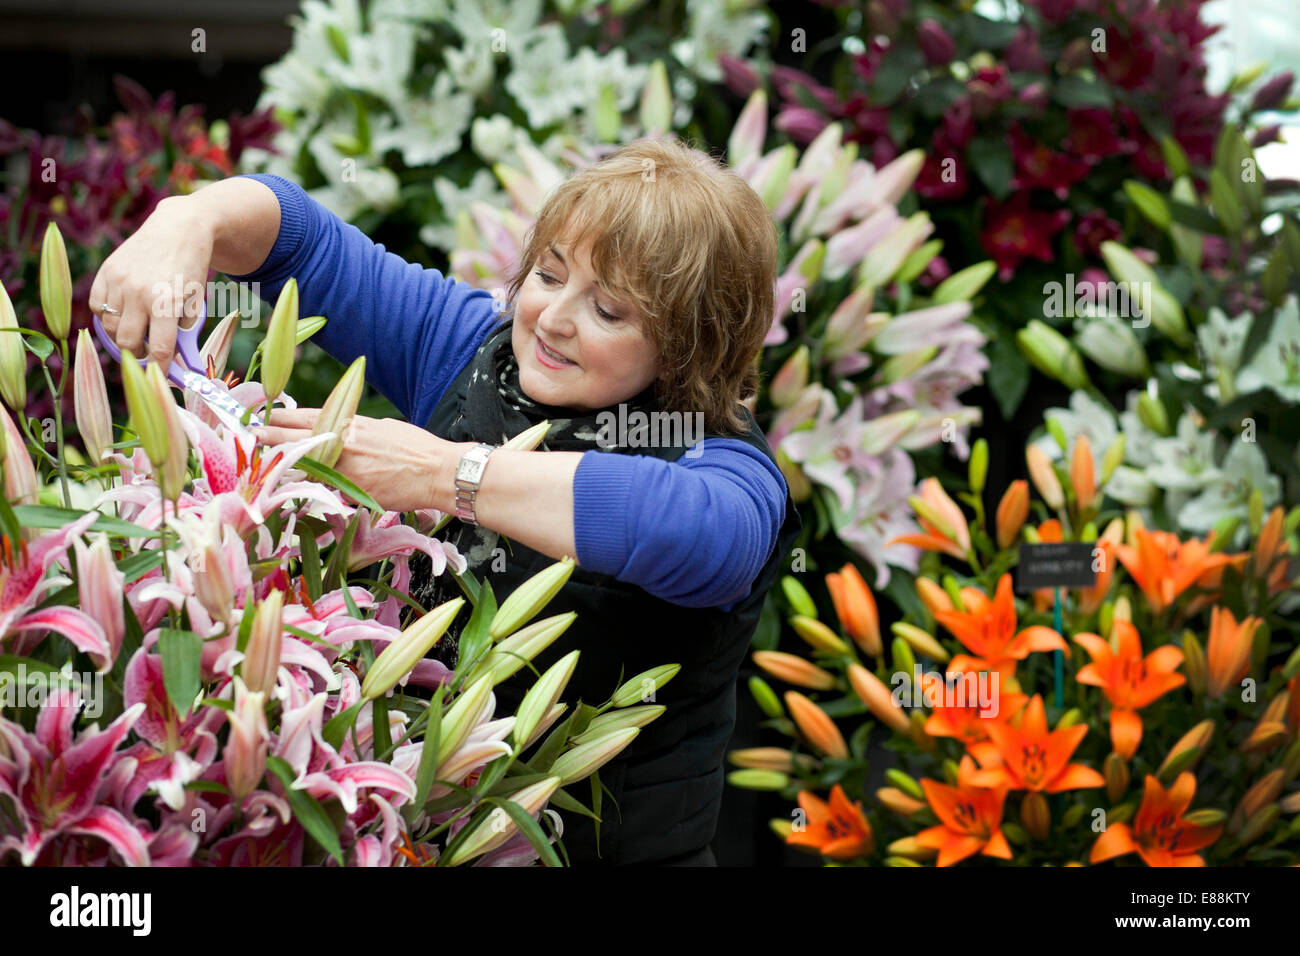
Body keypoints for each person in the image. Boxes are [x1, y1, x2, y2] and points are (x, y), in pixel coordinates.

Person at [89, 135, 802, 866]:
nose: (553, 317)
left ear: (689, 344)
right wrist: (188, 222)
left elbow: (698, 535)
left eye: (609, 311)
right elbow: (300, 242)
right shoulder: (470, 350)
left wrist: (439, 474)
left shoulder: (723, 464)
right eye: (549, 275)